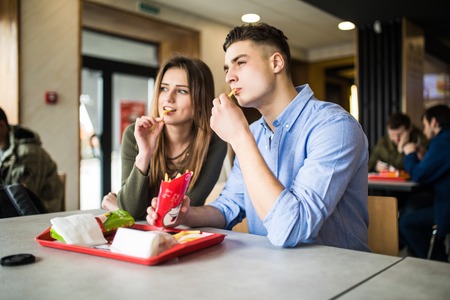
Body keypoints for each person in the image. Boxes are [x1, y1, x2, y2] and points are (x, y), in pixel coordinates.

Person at [146, 23, 370, 251]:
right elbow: (228, 207)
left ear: (276, 63)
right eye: (227, 69)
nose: (230, 77)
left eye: (240, 63)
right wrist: (186, 215)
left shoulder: (334, 127)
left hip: (338, 274)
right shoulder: (255, 132)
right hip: (267, 271)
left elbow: (291, 229)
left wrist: (240, 139)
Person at [101, 55, 228, 220]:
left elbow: (179, 212)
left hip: (184, 237)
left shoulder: (215, 142)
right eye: (164, 88)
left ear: (200, 99)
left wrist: (118, 206)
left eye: (182, 91)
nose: (169, 98)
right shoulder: (135, 134)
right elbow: (131, 210)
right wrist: (145, 154)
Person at [399, 104, 450, 261]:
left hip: (446, 207)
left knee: (405, 223)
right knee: (412, 207)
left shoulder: (442, 141)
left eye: (425, 125)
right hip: (442, 199)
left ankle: (437, 262)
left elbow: (419, 175)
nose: (425, 130)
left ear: (434, 122)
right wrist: (425, 156)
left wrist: (409, 154)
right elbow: (437, 168)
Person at [0, 107, 63, 212]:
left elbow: (22, 199)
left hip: (41, 214)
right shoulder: (5, 148)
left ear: (1, 125)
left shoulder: (28, 153)